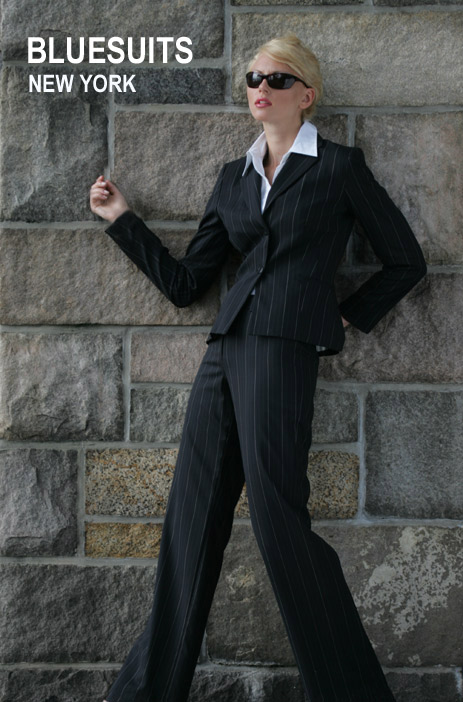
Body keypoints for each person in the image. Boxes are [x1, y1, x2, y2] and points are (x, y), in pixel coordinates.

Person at [90, 34, 426, 702]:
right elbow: (188, 284)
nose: (260, 89)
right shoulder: (233, 177)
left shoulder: (338, 167)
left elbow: (405, 261)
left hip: (281, 353)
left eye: (276, 79)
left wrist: (339, 317)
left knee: (278, 527)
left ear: (306, 94)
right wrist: (122, 220)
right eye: (252, 78)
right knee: (188, 527)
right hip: (223, 354)